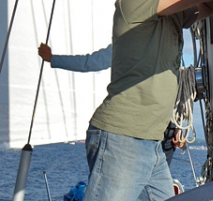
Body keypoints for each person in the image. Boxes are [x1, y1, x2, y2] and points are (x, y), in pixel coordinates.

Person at [69, 0, 213, 201]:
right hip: (121, 137)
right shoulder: (133, 2)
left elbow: (212, 2)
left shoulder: (174, 16)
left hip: (150, 142)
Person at [38, 43, 181, 164]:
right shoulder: (133, 42)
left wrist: (179, 125)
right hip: (142, 129)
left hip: (160, 128)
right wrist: (53, 59)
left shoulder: (144, 42)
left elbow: (180, 85)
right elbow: (92, 62)